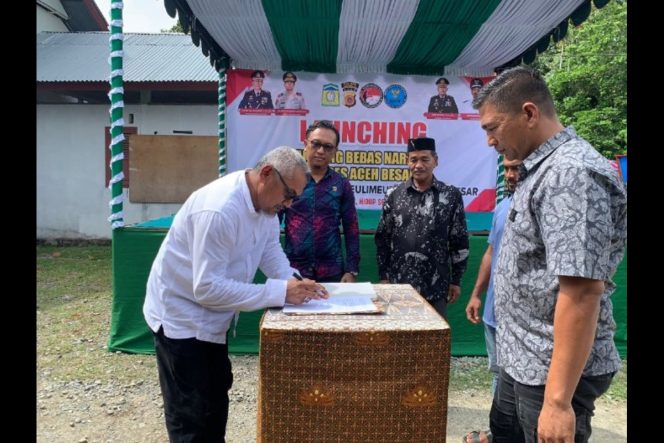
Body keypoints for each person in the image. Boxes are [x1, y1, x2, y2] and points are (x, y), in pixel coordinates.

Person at [474, 66, 627, 442]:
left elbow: (581, 291)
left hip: (548, 371)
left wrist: (558, 403)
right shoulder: (539, 169)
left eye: (493, 127)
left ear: (529, 113)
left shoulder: (570, 174)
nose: (490, 142)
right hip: (522, 356)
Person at [143, 146, 329, 442]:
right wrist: (280, 292)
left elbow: (270, 251)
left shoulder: (267, 205)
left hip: (214, 318)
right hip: (182, 317)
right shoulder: (219, 210)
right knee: (190, 414)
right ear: (267, 174)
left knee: (216, 397)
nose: (289, 204)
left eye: (294, 197)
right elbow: (206, 288)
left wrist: (295, 281)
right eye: (288, 194)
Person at [375, 137, 469, 319]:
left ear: (436, 161)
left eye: (425, 159)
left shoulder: (450, 195)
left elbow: (459, 240)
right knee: (400, 340)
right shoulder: (394, 195)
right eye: (413, 159)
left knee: (434, 343)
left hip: (436, 284)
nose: (418, 165)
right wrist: (384, 276)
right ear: (407, 162)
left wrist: (456, 280)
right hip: (399, 286)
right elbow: (383, 238)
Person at [462, 158, 522, 443]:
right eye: (507, 169)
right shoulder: (501, 207)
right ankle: (499, 433)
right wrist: (476, 294)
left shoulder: (543, 207)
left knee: (525, 381)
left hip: (524, 319)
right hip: (494, 314)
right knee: (499, 374)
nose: (511, 175)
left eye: (517, 168)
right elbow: (490, 252)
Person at [280, 120, 360, 282]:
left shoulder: (341, 184)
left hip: (332, 272)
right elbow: (272, 224)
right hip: (294, 271)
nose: (321, 151)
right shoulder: (289, 180)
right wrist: (279, 268)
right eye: (316, 144)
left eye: (328, 147)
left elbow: (351, 228)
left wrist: (351, 270)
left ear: (335, 151)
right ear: (305, 144)